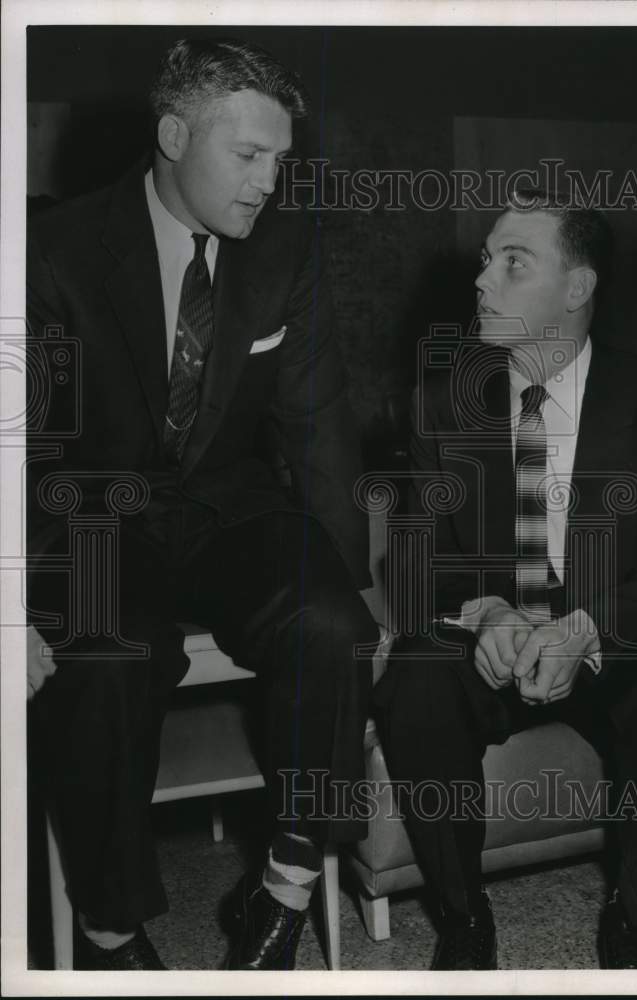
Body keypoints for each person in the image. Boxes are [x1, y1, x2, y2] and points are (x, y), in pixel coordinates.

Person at [26, 37, 378, 971]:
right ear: (174, 134)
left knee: (333, 622)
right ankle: (108, 926)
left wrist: (361, 589)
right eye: (249, 156)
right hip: (94, 514)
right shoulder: (51, 249)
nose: (269, 182)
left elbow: (320, 426)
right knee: (106, 651)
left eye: (281, 161)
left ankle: (286, 882)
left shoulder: (286, 248)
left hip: (228, 509)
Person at [374, 187, 637, 970]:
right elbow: (409, 560)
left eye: (513, 263)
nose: (482, 281)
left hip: (611, 638)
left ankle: (636, 918)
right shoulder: (440, 403)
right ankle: (462, 918)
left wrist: (583, 628)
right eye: (486, 262)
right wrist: (481, 614)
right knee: (416, 675)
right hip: (499, 646)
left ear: (577, 289)